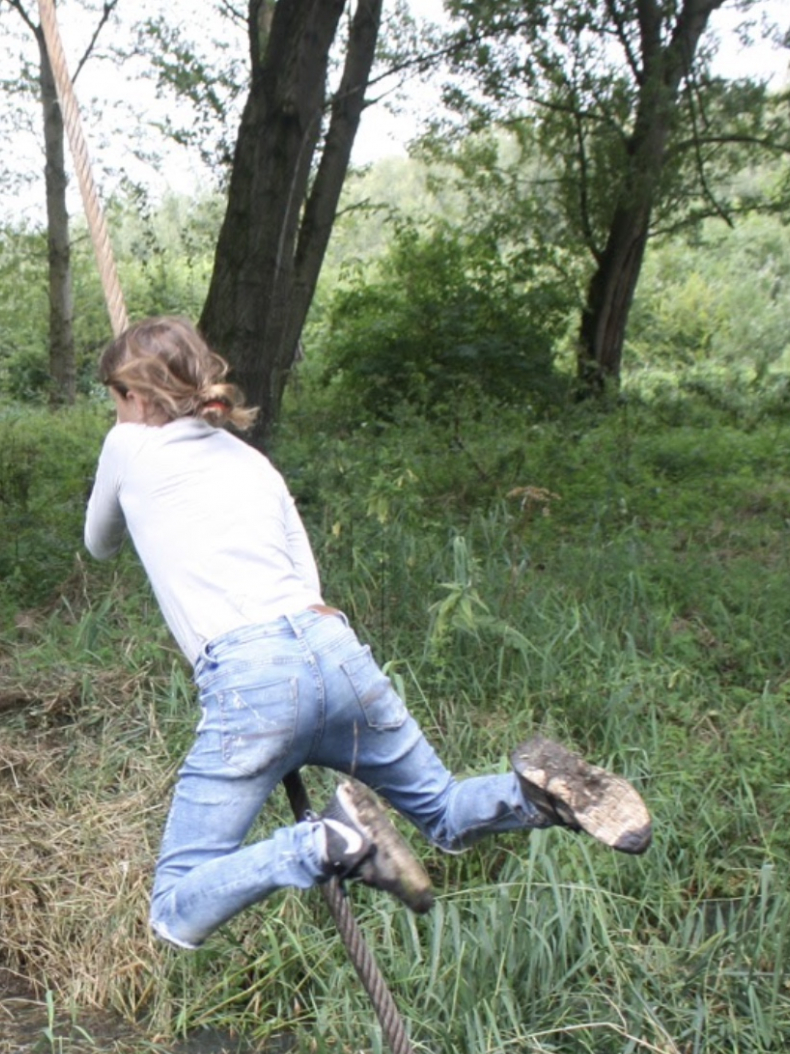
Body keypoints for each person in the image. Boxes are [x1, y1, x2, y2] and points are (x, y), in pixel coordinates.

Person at [84, 316, 651, 950]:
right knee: (443, 812)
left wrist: (125, 435)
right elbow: (306, 577)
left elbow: (99, 542)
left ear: (133, 396)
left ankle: (322, 842)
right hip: (335, 650)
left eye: (116, 398)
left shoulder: (125, 447)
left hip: (251, 679)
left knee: (173, 911)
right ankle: (542, 798)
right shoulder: (252, 462)